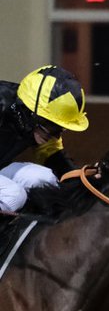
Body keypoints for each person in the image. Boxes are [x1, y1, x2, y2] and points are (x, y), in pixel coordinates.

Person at [0, 65, 88, 213]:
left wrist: (84, 183)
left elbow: (57, 162)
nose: (55, 136)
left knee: (45, 180)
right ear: (32, 114)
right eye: (52, 127)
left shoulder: (32, 119)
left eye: (61, 129)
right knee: (13, 194)